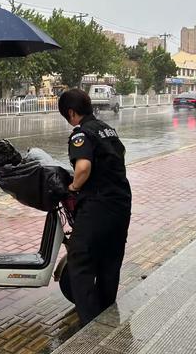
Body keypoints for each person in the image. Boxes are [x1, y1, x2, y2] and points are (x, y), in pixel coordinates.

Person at [58, 88, 131, 326]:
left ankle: (91, 325)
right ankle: (107, 312)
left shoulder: (82, 133)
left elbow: (83, 168)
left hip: (98, 205)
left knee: (80, 260)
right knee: (110, 260)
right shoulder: (107, 130)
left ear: (71, 112)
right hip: (120, 205)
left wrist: (73, 188)